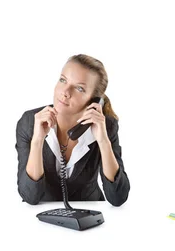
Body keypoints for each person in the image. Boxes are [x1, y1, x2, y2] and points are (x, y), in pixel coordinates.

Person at [15, 54, 130, 206]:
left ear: (94, 100)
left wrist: (103, 141)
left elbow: (118, 198)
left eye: (79, 88)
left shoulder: (106, 126)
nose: (65, 92)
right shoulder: (30, 122)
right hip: (42, 219)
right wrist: (37, 141)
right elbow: (30, 196)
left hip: (90, 215)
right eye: (63, 80)